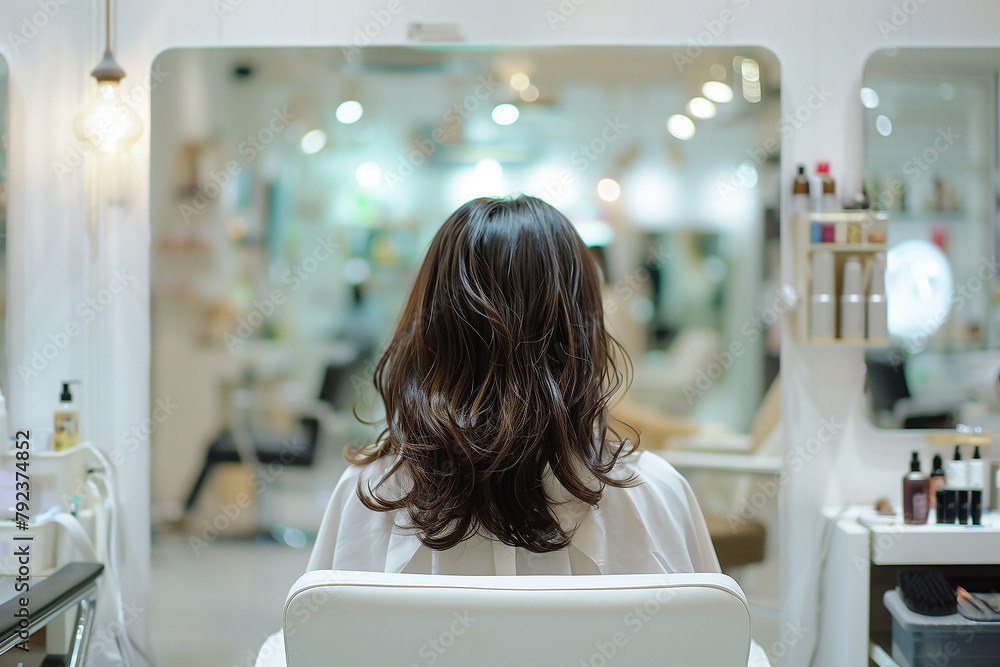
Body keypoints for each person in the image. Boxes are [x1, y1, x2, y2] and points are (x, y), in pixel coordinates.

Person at [256, 195, 769, 666]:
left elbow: (315, 645)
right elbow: (717, 647)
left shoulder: (372, 492)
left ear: (432, 328)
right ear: (583, 328)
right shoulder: (654, 490)